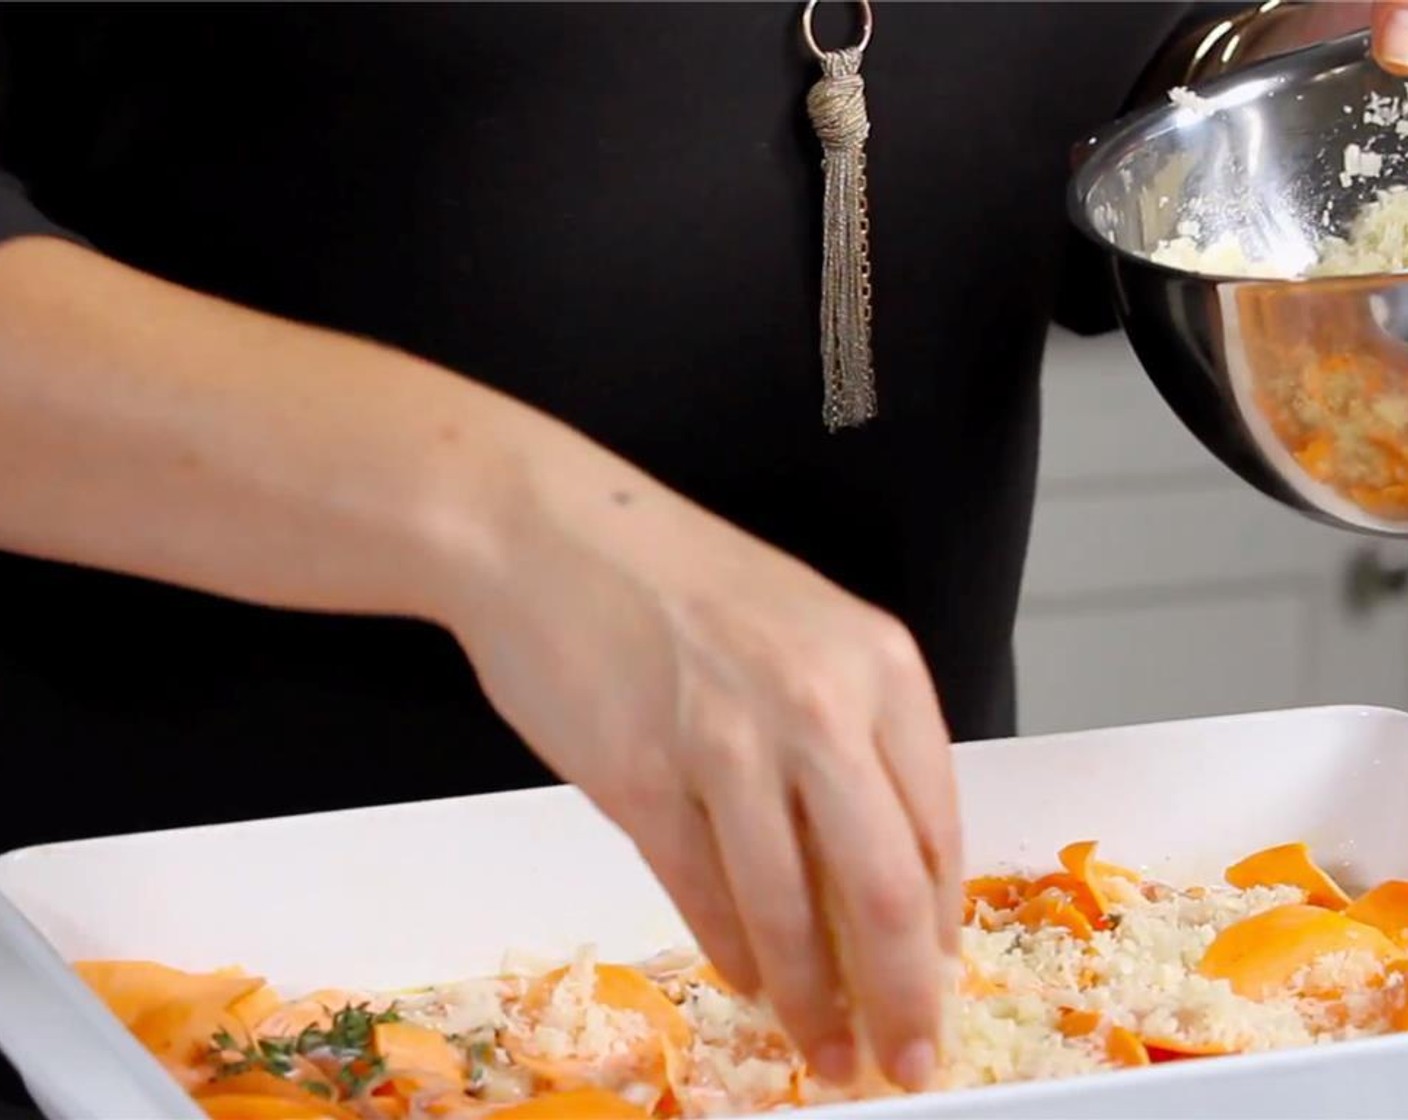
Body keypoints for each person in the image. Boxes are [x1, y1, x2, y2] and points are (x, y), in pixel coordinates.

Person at [0, 2, 1402, 1106]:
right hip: (175, 987)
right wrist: (510, 526)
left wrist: (1312, 74)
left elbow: (1092, 78)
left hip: (926, 983)